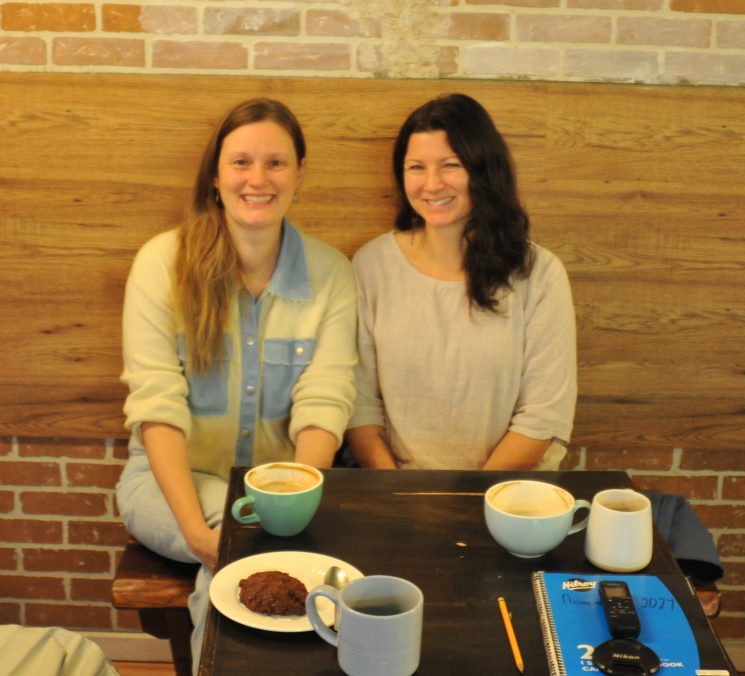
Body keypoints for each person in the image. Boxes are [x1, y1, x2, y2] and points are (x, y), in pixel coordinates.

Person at [115, 98, 357, 671]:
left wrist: (290, 503)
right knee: (236, 544)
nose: (258, 179)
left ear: (300, 174)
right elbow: (157, 408)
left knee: (244, 559)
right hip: (170, 486)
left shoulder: (331, 274)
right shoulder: (161, 263)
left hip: (288, 487)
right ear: (216, 176)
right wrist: (199, 532)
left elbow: (325, 401)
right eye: (241, 162)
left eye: (276, 163)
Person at [346, 93, 577, 471]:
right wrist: (396, 492)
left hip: (507, 494)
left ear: (483, 170)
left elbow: (542, 416)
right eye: (416, 167)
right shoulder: (371, 265)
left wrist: (469, 498)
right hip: (397, 489)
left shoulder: (539, 273)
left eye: (450, 165)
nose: (431, 184)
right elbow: (360, 405)